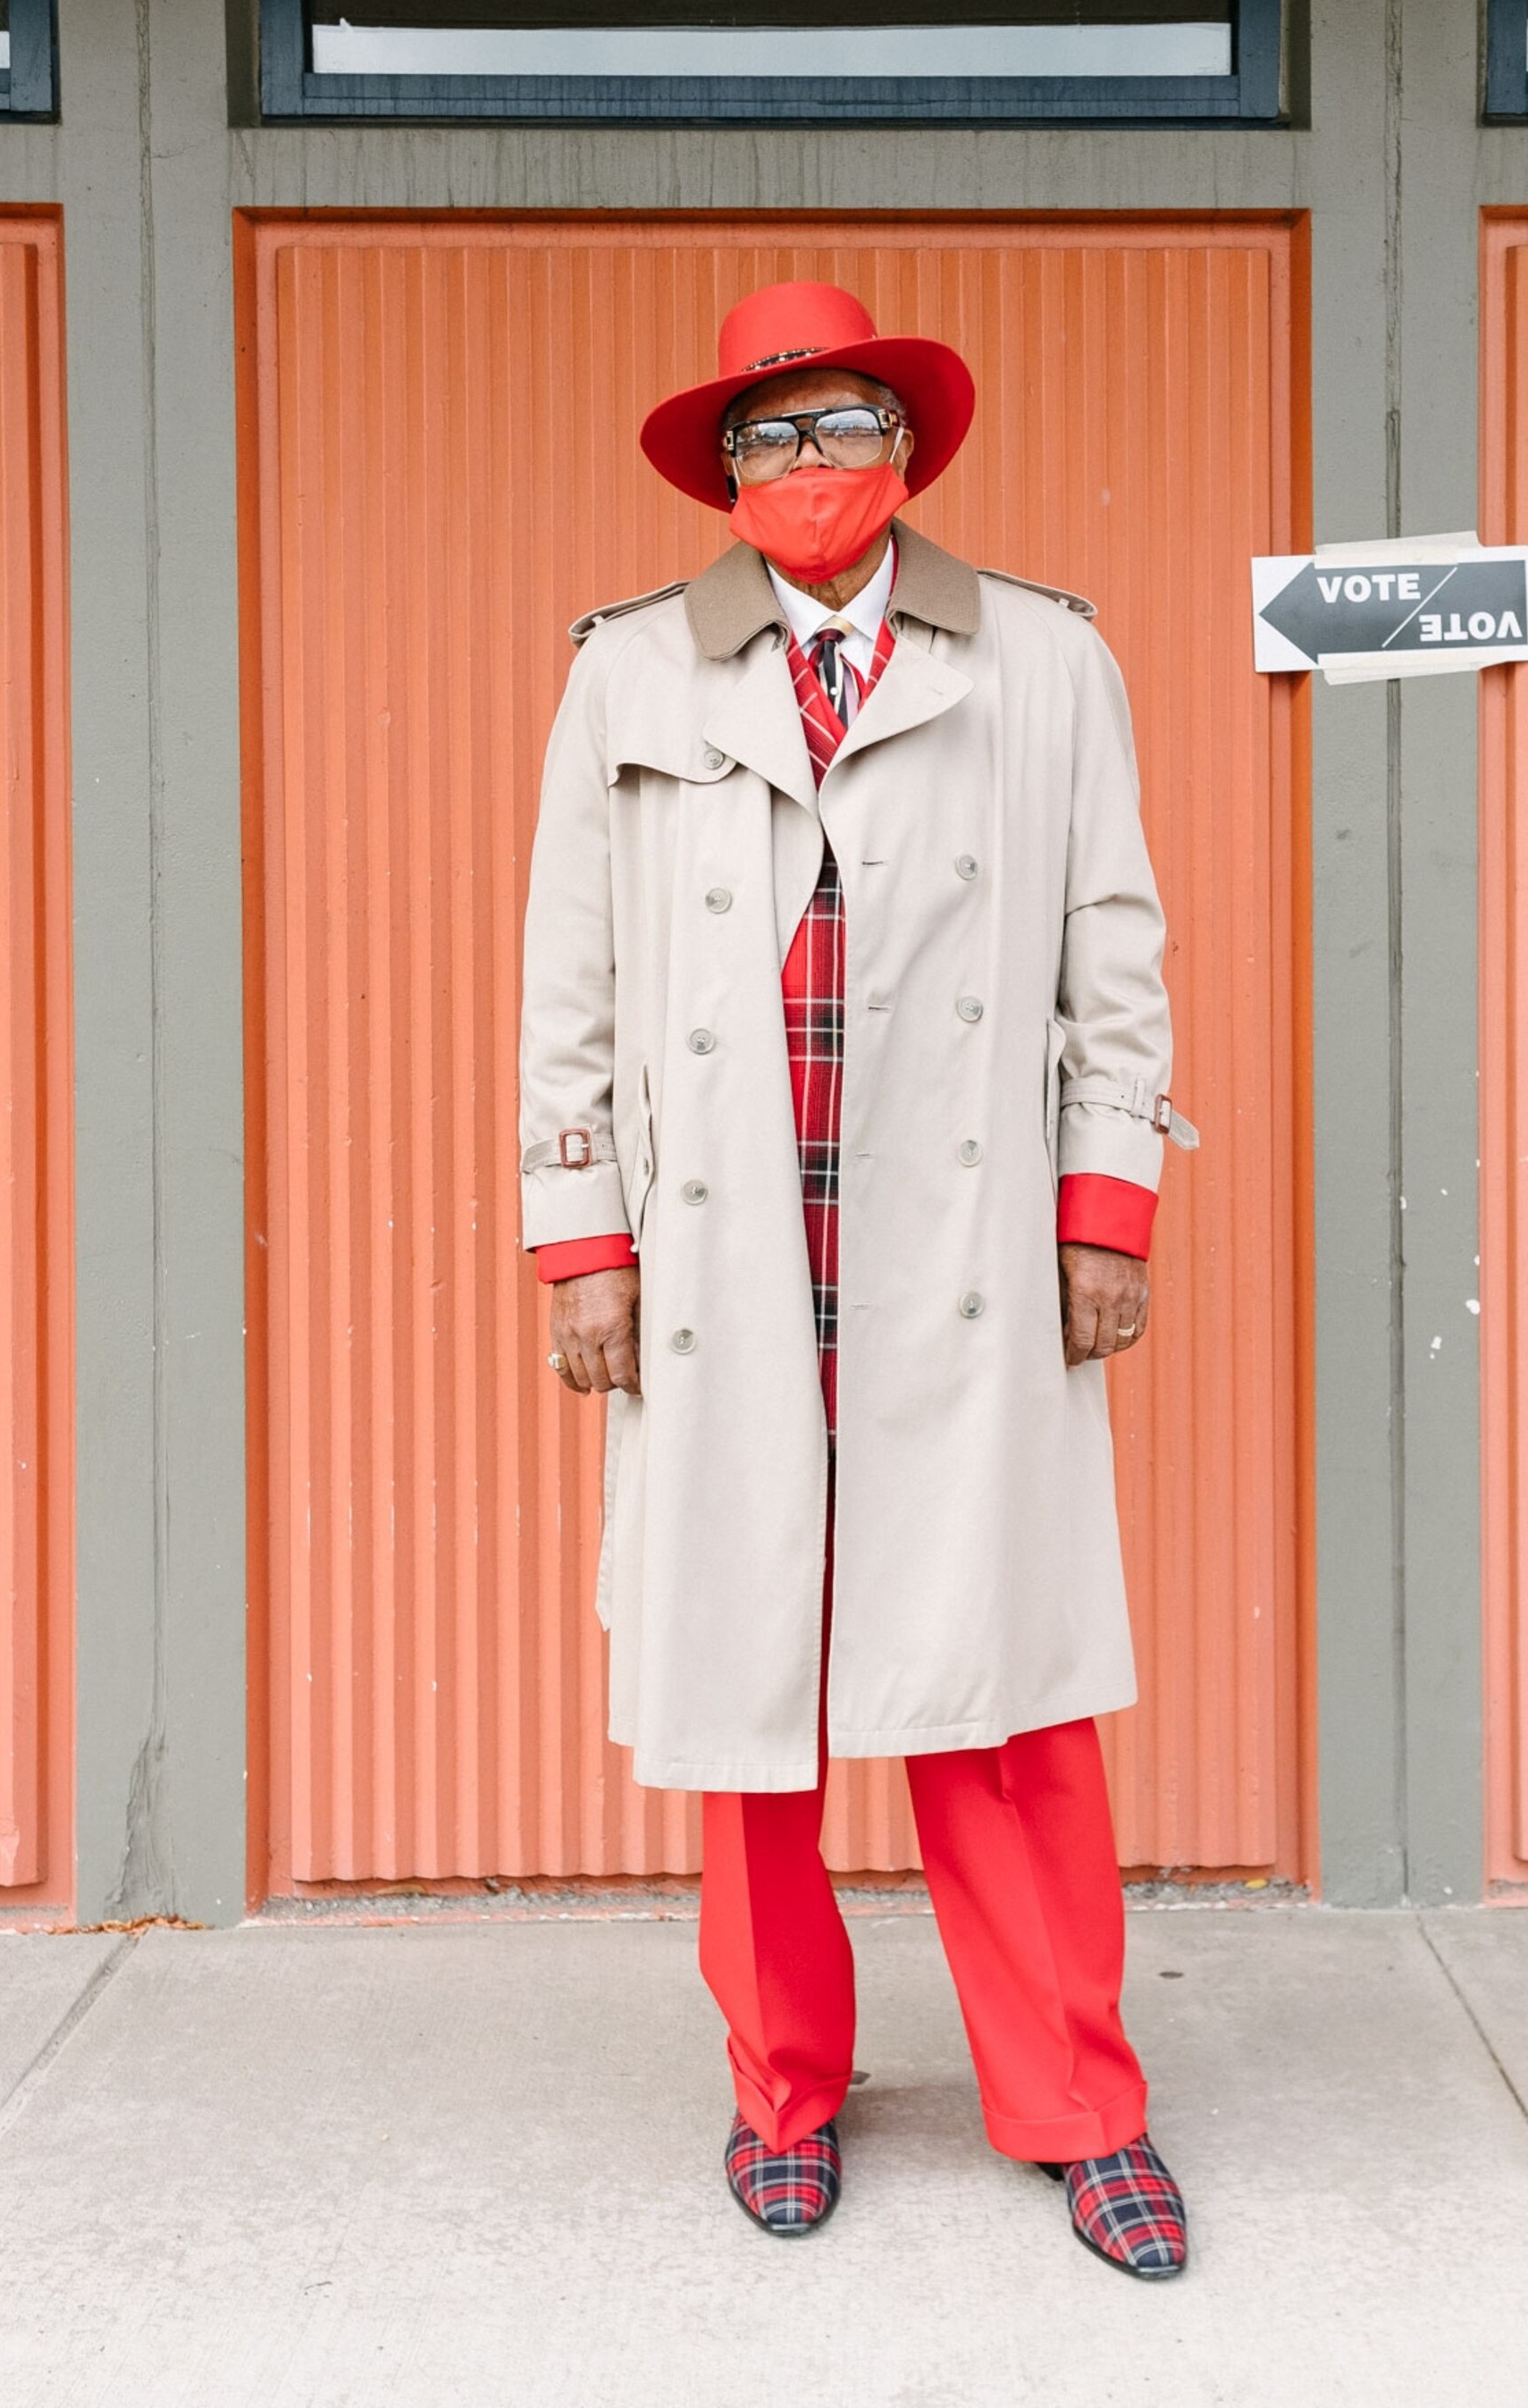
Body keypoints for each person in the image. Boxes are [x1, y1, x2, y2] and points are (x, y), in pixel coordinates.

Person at [517, 280, 1196, 2278]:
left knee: (1005, 1710)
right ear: (726, 477)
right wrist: (582, 1242)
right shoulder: (633, 676)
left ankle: (1081, 2105)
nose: (807, 470)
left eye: (839, 429)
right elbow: (571, 987)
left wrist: (1103, 1209)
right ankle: (782, 2089)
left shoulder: (1046, 662)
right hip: (728, 1268)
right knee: (748, 1717)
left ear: (906, 449)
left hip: (959, 1269)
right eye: (769, 438)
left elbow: (1117, 951)